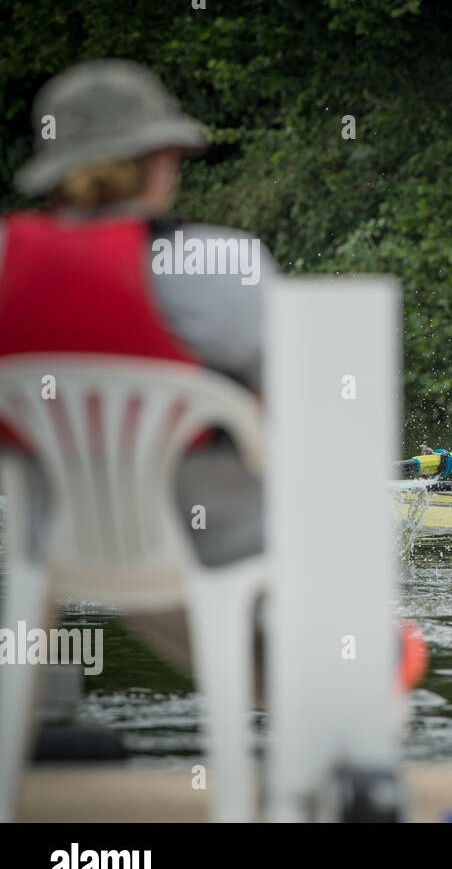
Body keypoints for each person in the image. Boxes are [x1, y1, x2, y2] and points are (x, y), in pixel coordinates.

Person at [0, 59, 279, 669]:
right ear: (159, 160)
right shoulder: (221, 264)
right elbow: (296, 408)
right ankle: (343, 710)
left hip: (47, 542)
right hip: (215, 546)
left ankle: (43, 714)